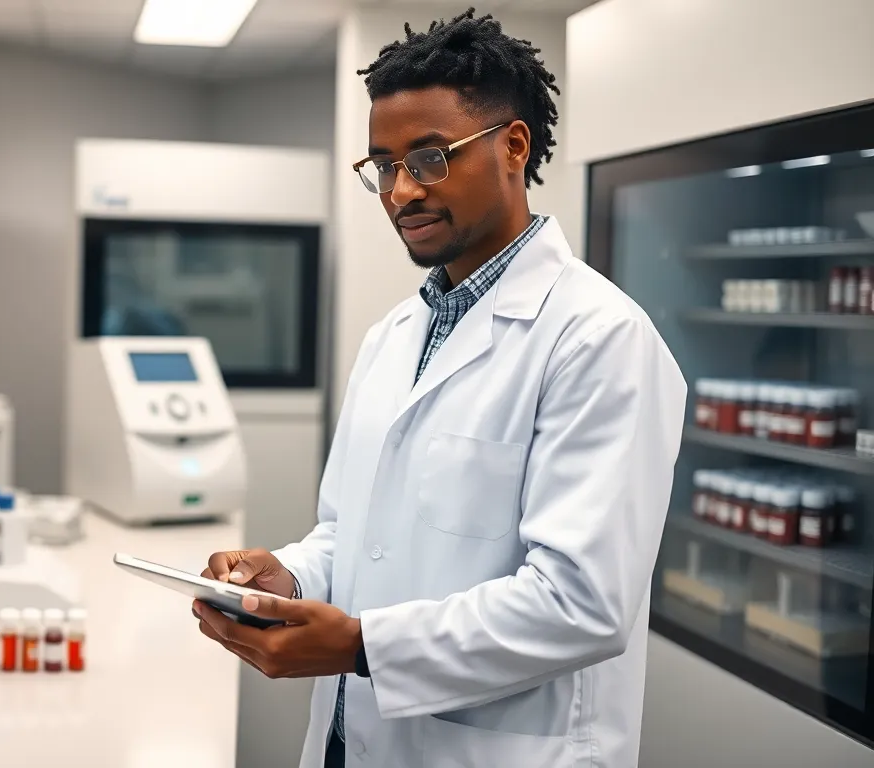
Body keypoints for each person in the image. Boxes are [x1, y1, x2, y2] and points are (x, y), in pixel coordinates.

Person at [194, 9, 687, 768]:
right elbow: (351, 534)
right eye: (382, 167)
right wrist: (286, 576)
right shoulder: (394, 335)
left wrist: (361, 645)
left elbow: (580, 605)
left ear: (513, 146)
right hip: (349, 738)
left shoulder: (598, 339)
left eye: (428, 159)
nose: (399, 193)